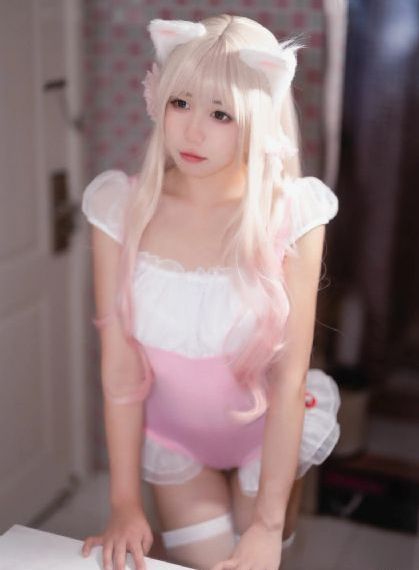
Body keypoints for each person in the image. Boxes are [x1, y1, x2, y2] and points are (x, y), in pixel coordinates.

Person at [81, 14, 340, 570]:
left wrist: (267, 526)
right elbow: (120, 373)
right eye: (181, 103)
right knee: (205, 562)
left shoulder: (293, 215)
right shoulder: (120, 210)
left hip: (267, 437)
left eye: (221, 113)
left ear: (258, 118)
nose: (193, 132)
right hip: (174, 439)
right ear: (158, 100)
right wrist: (124, 504)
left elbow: (289, 378)